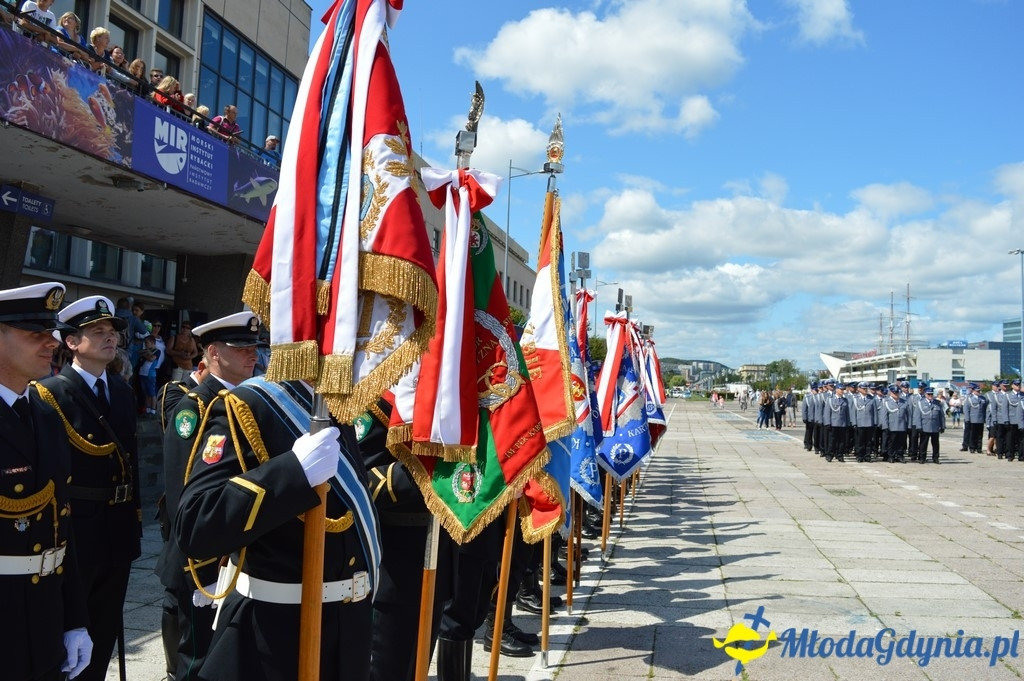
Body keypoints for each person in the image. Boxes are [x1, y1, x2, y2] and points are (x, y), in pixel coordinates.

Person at [174, 371, 377, 681]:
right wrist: (293, 473)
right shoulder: (252, 404)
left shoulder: (339, 406)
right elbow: (196, 523)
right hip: (274, 637)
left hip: (347, 632)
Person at [35, 295, 140, 681]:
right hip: (79, 527)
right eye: (97, 332)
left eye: (112, 332)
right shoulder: (50, 393)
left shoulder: (123, 390)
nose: (109, 338)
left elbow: (128, 462)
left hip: (117, 527)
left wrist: (134, 516)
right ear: (71, 342)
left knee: (105, 626)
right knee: (70, 631)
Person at [157, 313, 264, 681]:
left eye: (254, 346)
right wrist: (204, 562)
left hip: (234, 548)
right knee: (195, 662)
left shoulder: (246, 401)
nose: (253, 354)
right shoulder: (195, 407)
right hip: (202, 559)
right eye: (242, 347)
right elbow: (182, 492)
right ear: (214, 352)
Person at [0, 282, 93, 681]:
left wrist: (75, 618)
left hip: (45, 610)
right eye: (34, 334)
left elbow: (61, 521)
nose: (51, 343)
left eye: (50, 332)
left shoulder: (44, 411)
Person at [916, 386, 945, 464]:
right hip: (925, 426)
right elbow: (917, 416)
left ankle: (935, 458)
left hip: (935, 426)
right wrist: (919, 426)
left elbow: (941, 415)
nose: (930, 396)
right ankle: (922, 458)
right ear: (925, 394)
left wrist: (942, 426)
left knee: (935, 444)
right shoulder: (920, 403)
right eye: (928, 394)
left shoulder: (937, 403)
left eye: (931, 394)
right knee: (923, 443)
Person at [137, 335, 161, 416]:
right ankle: (148, 408)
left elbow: (151, 358)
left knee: (152, 392)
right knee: (146, 392)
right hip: (142, 373)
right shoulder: (145, 350)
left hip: (150, 374)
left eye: (147, 343)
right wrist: (146, 353)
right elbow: (140, 353)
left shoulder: (157, 351)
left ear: (152, 343)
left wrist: (145, 354)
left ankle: (153, 409)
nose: (146, 344)